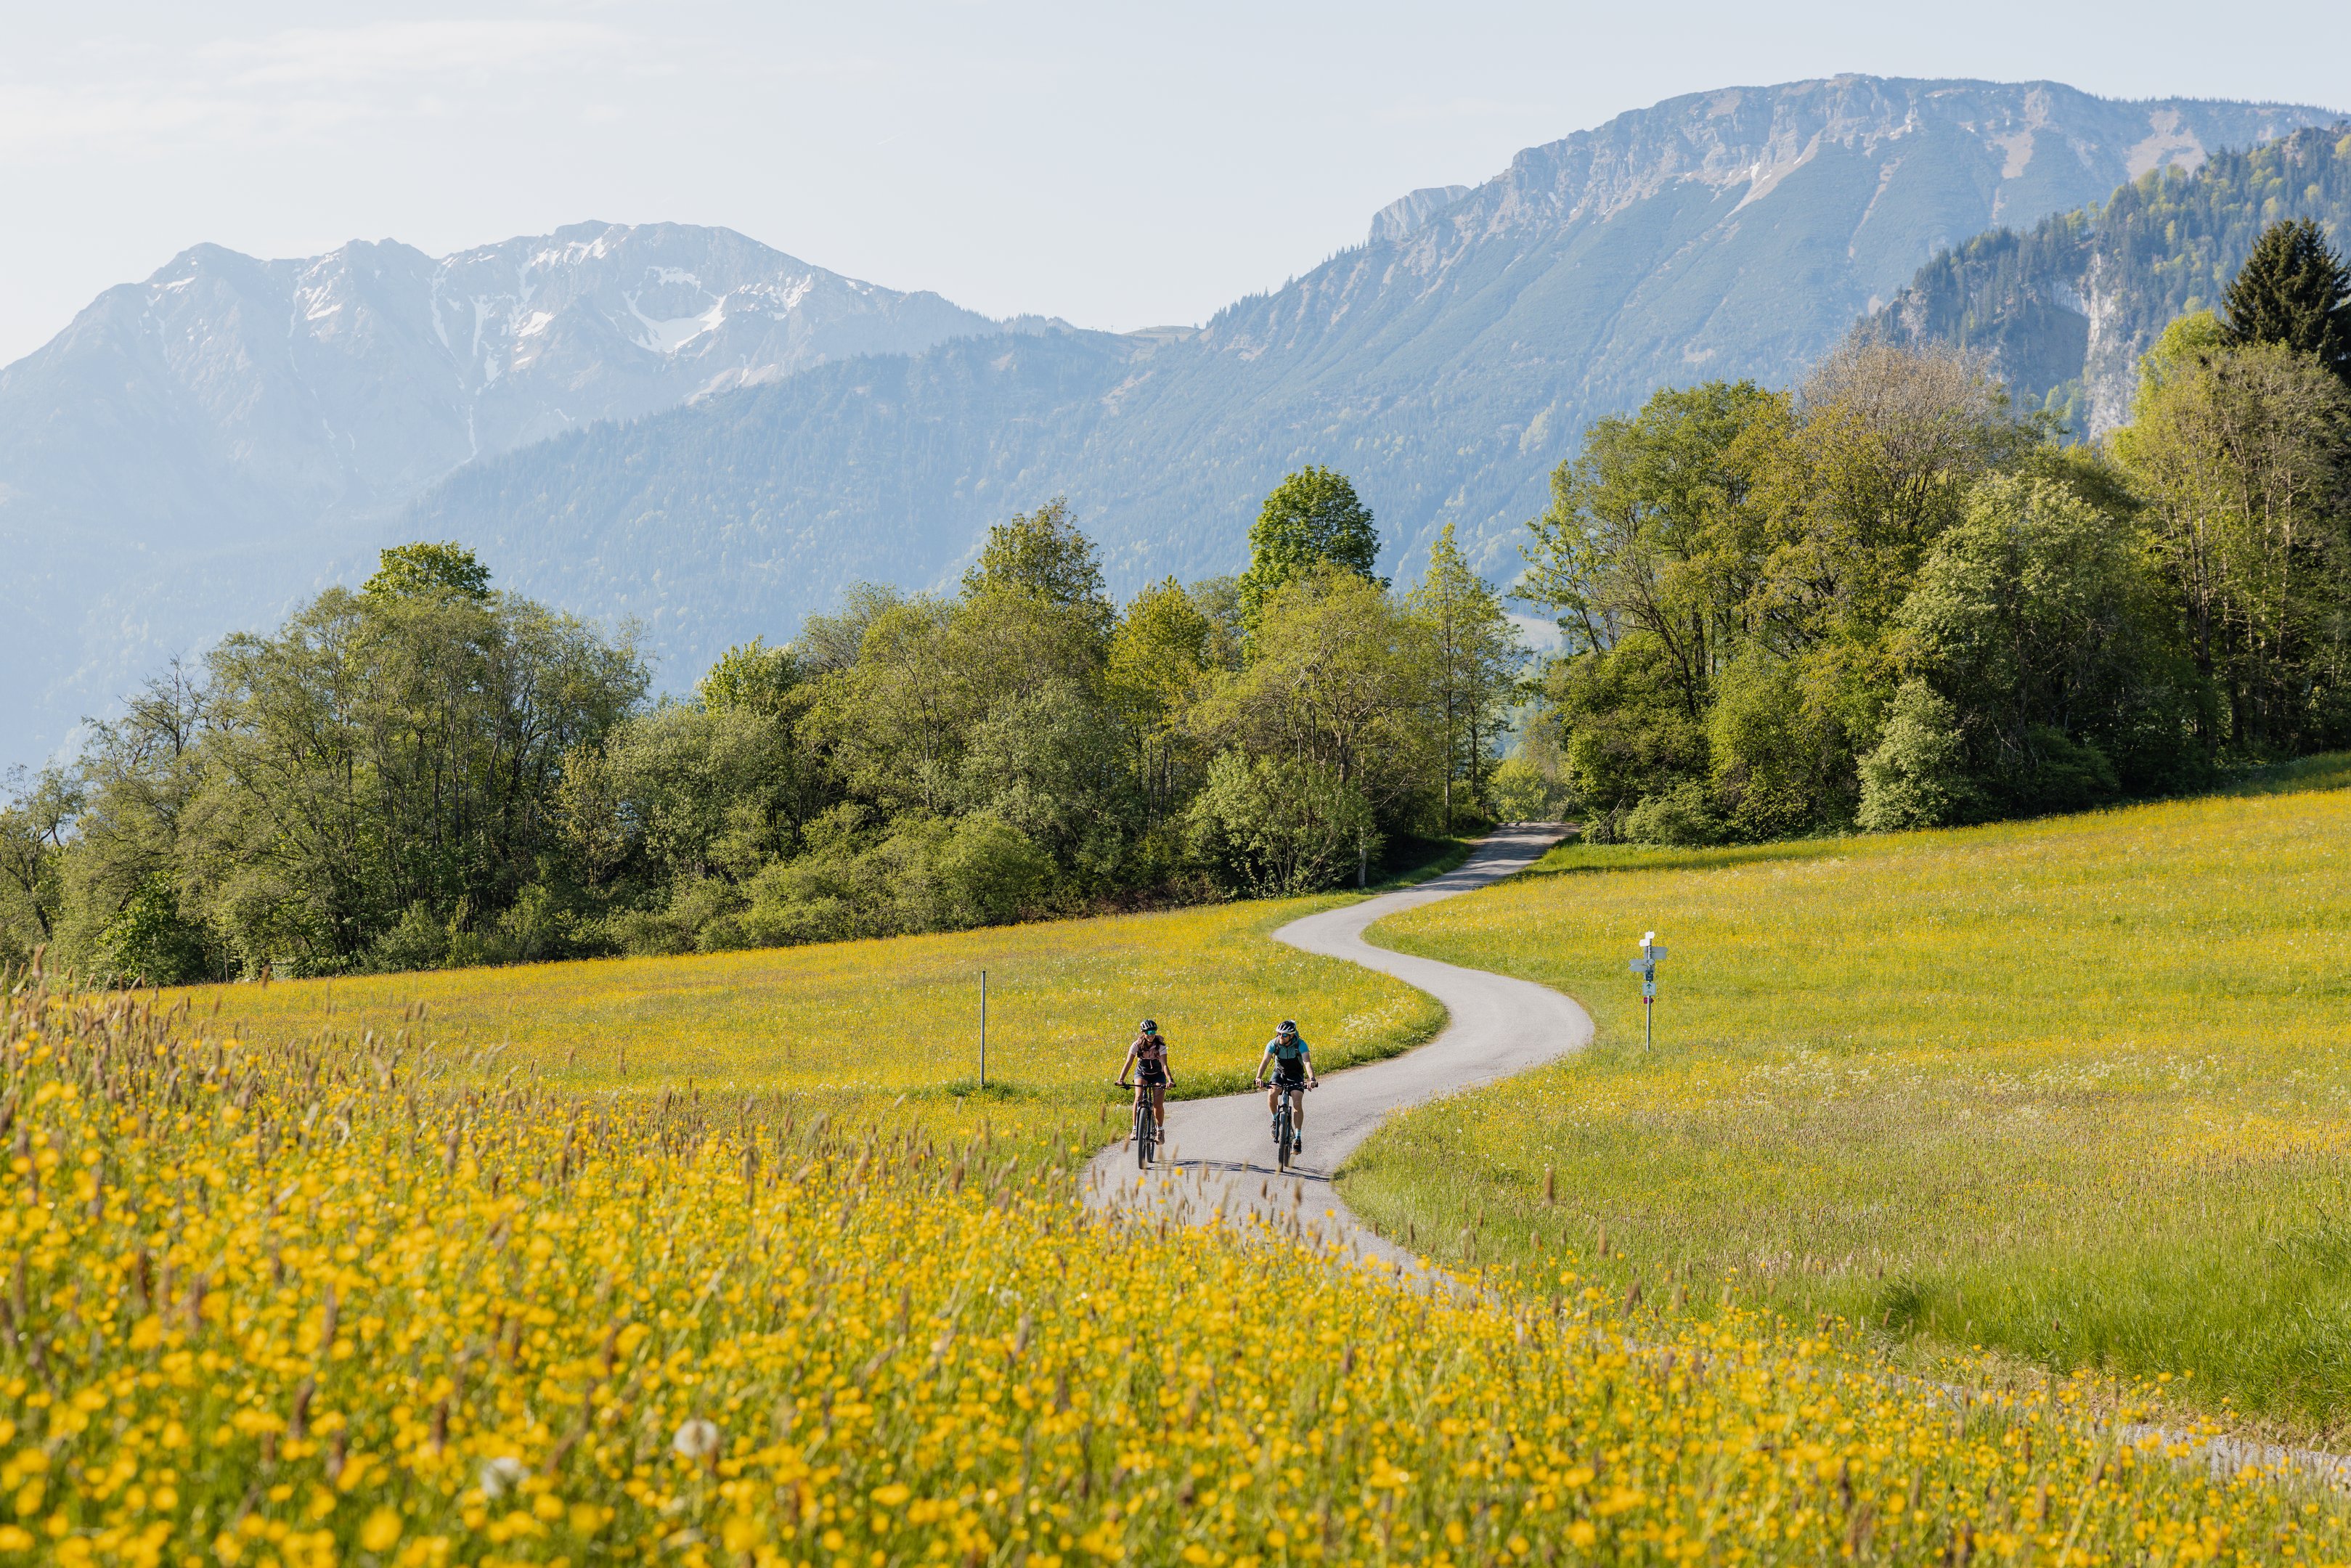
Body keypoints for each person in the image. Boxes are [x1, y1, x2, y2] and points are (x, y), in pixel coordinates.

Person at [1253, 1018, 1316, 1152]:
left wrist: (1312, 1079)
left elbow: (1307, 1062)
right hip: (1279, 1073)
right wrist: (1258, 1077)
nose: (1281, 1036)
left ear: (1292, 1036)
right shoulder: (1273, 1044)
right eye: (1279, 1033)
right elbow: (1265, 1061)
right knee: (1272, 1094)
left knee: (1297, 1102)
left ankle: (1298, 1138)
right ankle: (1275, 1121)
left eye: (1285, 1035)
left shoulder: (1301, 1044)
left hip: (1296, 1074)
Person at [1119, 1018, 1173, 1139]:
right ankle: (1135, 1129)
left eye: (1153, 1032)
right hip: (1141, 1073)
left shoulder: (1160, 1045)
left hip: (1158, 1074)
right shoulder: (1136, 1045)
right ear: (1143, 1033)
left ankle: (1160, 1130)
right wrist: (1121, 1079)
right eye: (1148, 1032)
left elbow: (1164, 1065)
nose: (1151, 1035)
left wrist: (1170, 1080)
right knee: (1138, 1098)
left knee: (1158, 1104)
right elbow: (1128, 1062)